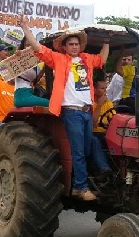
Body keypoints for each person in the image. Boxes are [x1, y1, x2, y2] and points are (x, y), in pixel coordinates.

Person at [19, 14, 111, 201]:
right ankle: (81, 187)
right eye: (71, 44)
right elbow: (38, 49)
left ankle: (100, 175)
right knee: (78, 150)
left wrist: (107, 41)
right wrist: (25, 29)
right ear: (65, 47)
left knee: (87, 147)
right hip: (71, 111)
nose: (74, 46)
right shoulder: (58, 59)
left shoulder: (86, 60)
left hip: (87, 111)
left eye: (77, 44)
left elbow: (102, 59)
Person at [13, 37, 50, 108]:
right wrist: (17, 56)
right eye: (27, 45)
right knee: (51, 104)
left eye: (31, 45)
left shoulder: (37, 63)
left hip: (30, 93)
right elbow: (10, 78)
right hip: (22, 95)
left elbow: (36, 80)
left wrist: (45, 67)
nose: (29, 48)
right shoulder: (19, 59)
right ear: (23, 46)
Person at [92, 78, 114, 148]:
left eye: (106, 88)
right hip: (94, 133)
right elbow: (92, 123)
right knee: (95, 140)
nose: (105, 90)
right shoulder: (90, 103)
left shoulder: (109, 103)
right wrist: (99, 104)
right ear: (94, 90)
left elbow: (113, 120)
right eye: (102, 88)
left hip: (106, 133)